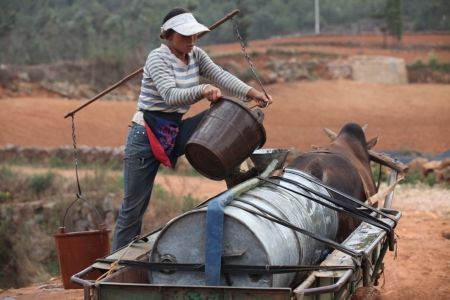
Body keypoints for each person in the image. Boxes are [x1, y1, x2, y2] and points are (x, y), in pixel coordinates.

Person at [112, 7, 272, 250]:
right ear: (169, 35)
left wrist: (251, 93)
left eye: (194, 35)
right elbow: (170, 95)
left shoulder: (196, 55)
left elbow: (219, 75)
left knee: (225, 113)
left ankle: (234, 173)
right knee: (134, 206)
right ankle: (115, 261)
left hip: (174, 130)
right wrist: (201, 90)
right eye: (185, 36)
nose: (192, 41)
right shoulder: (157, 58)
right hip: (146, 134)